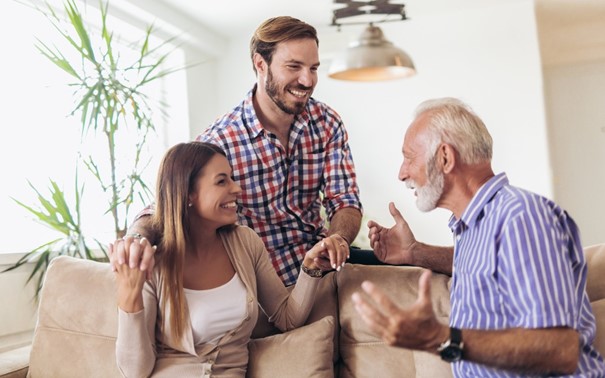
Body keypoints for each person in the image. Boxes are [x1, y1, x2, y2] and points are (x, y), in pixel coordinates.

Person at [114, 15, 379, 287]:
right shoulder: (220, 140)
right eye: (294, 66)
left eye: (313, 68)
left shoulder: (327, 122)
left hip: (323, 268)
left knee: (402, 269)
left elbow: (344, 199)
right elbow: (167, 204)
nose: (307, 80)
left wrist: (338, 239)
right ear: (260, 64)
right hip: (265, 285)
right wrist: (136, 239)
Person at [352, 97, 605, 376]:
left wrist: (439, 337)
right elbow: (491, 267)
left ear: (445, 157)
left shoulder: (521, 217)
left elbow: (560, 351)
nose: (402, 173)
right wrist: (414, 252)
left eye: (409, 157)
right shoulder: (476, 226)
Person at [112, 141, 346, 377]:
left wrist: (311, 267)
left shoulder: (245, 244)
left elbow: (287, 318)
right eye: (222, 181)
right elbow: (134, 371)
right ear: (188, 194)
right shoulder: (154, 262)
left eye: (232, 178)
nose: (236, 189)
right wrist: (129, 297)